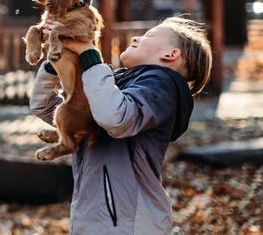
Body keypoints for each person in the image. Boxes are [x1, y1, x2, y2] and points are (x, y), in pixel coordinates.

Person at [30, 16, 212, 234]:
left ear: (170, 55)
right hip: (92, 217)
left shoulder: (162, 86)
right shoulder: (116, 84)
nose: (136, 37)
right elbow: (48, 108)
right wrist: (58, 57)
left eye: (149, 35)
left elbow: (115, 118)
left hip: (129, 224)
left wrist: (90, 54)